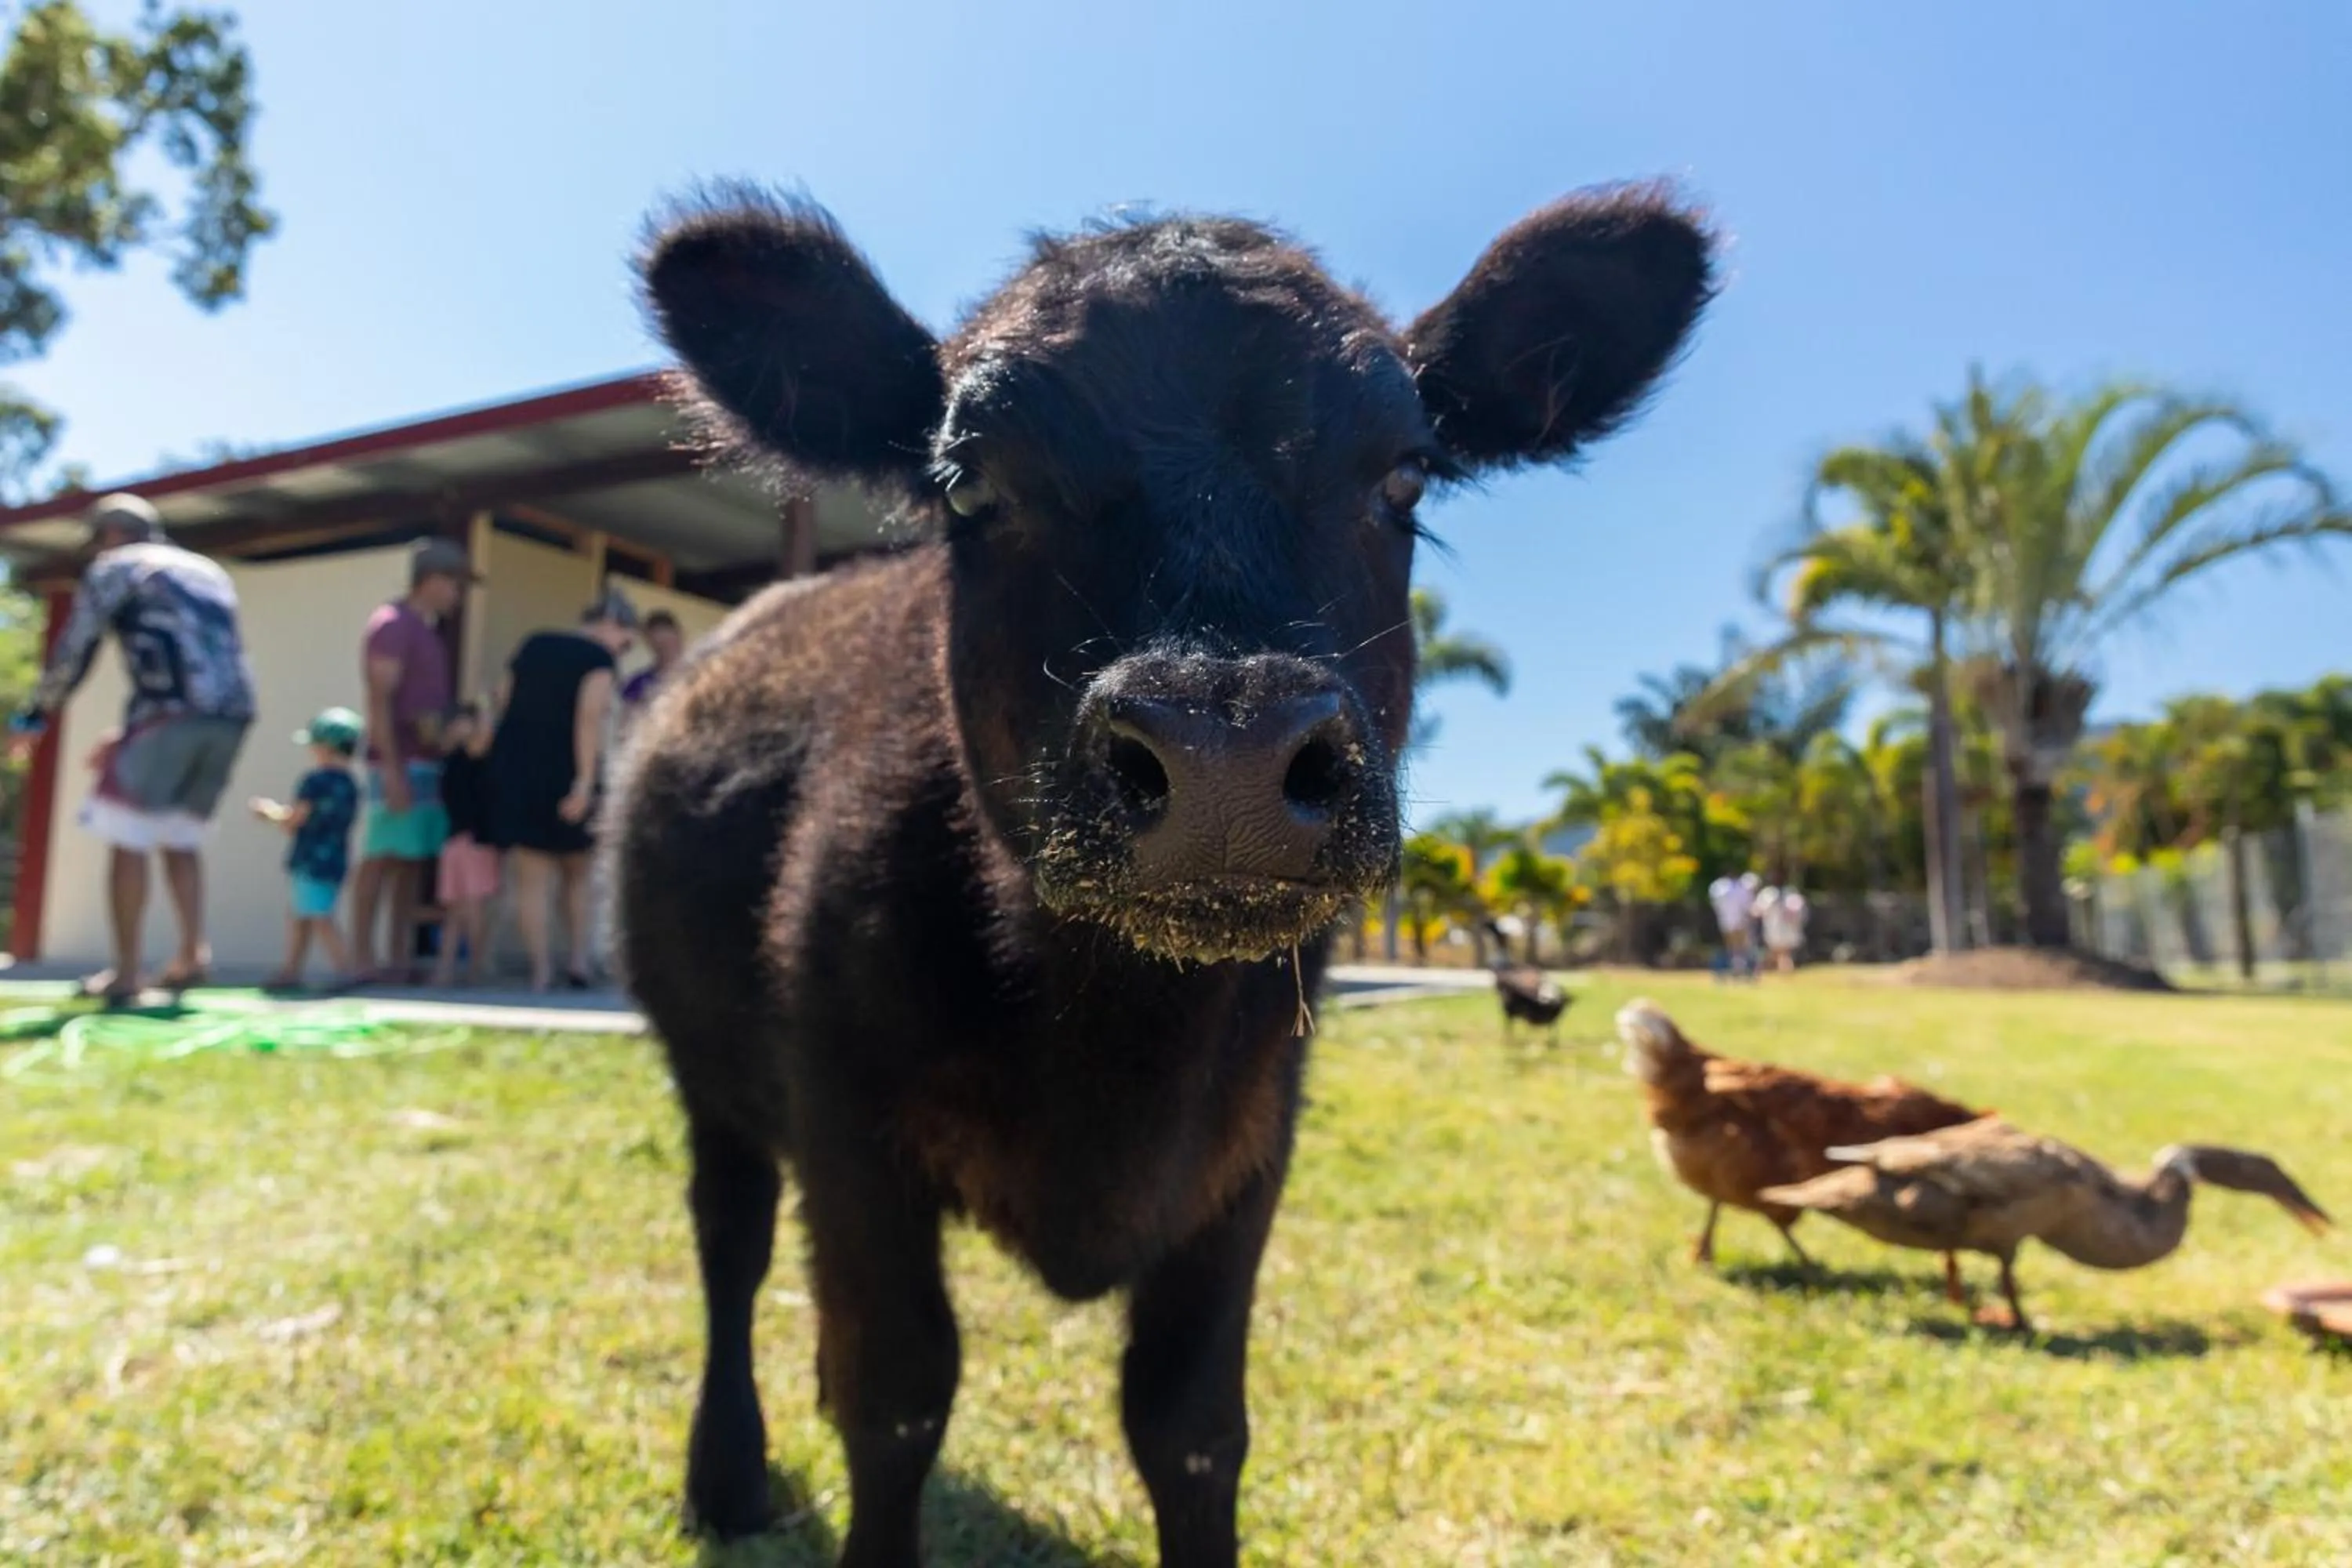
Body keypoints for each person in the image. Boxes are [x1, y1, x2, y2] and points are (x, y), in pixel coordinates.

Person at [7, 494, 256, 1003]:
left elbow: (77, 644)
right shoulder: (207, 571)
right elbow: (207, 656)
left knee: (129, 832)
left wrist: (32, 716)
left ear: (111, 534)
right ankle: (192, 955)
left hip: (168, 711)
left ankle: (126, 973)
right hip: (232, 713)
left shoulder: (116, 566)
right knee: (181, 835)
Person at [485, 588, 637, 991]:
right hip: (570, 773)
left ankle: (539, 971)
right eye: (626, 640)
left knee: (531, 879)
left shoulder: (533, 643)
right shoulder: (597, 660)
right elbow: (588, 719)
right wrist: (584, 783)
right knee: (578, 874)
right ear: (610, 623)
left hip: (521, 773)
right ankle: (578, 961)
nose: (624, 650)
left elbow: (501, 698)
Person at [351, 538, 471, 982]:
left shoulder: (430, 631)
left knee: (410, 861)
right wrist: (394, 769)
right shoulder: (392, 624)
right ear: (432, 580)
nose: (457, 596)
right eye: (455, 585)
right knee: (379, 857)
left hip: (427, 762)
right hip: (395, 762)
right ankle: (361, 958)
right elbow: (379, 698)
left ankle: (397, 957)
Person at [249, 707, 363, 993]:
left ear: (326, 746)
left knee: (319, 915)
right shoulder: (350, 785)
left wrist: (269, 813)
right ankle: (291, 970)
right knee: (301, 913)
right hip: (336, 859)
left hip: (311, 860)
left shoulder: (315, 782)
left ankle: (345, 969)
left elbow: (294, 820)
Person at [430, 702, 499, 988]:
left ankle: (478, 967)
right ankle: (444, 970)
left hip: (476, 839)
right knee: (455, 909)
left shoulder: (480, 755)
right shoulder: (451, 758)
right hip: (454, 839)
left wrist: (485, 705)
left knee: (474, 906)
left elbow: (485, 735)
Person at [619, 608, 685, 717]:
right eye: (659, 647)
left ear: (680, 636)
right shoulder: (637, 684)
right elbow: (625, 722)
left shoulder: (701, 678)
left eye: (668, 643)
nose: (666, 652)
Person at [1707, 869, 1761, 982]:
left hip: (1727, 921)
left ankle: (1737, 971)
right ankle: (1739, 971)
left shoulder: (1720, 887)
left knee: (1734, 948)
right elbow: (1747, 906)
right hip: (1738, 922)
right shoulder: (1739, 888)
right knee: (1740, 948)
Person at [1759, 883, 1811, 974]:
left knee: (1783, 954)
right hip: (1777, 929)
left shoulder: (1790, 894)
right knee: (1779, 954)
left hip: (1784, 930)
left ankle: (1784, 971)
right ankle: (1780, 970)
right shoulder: (1770, 894)